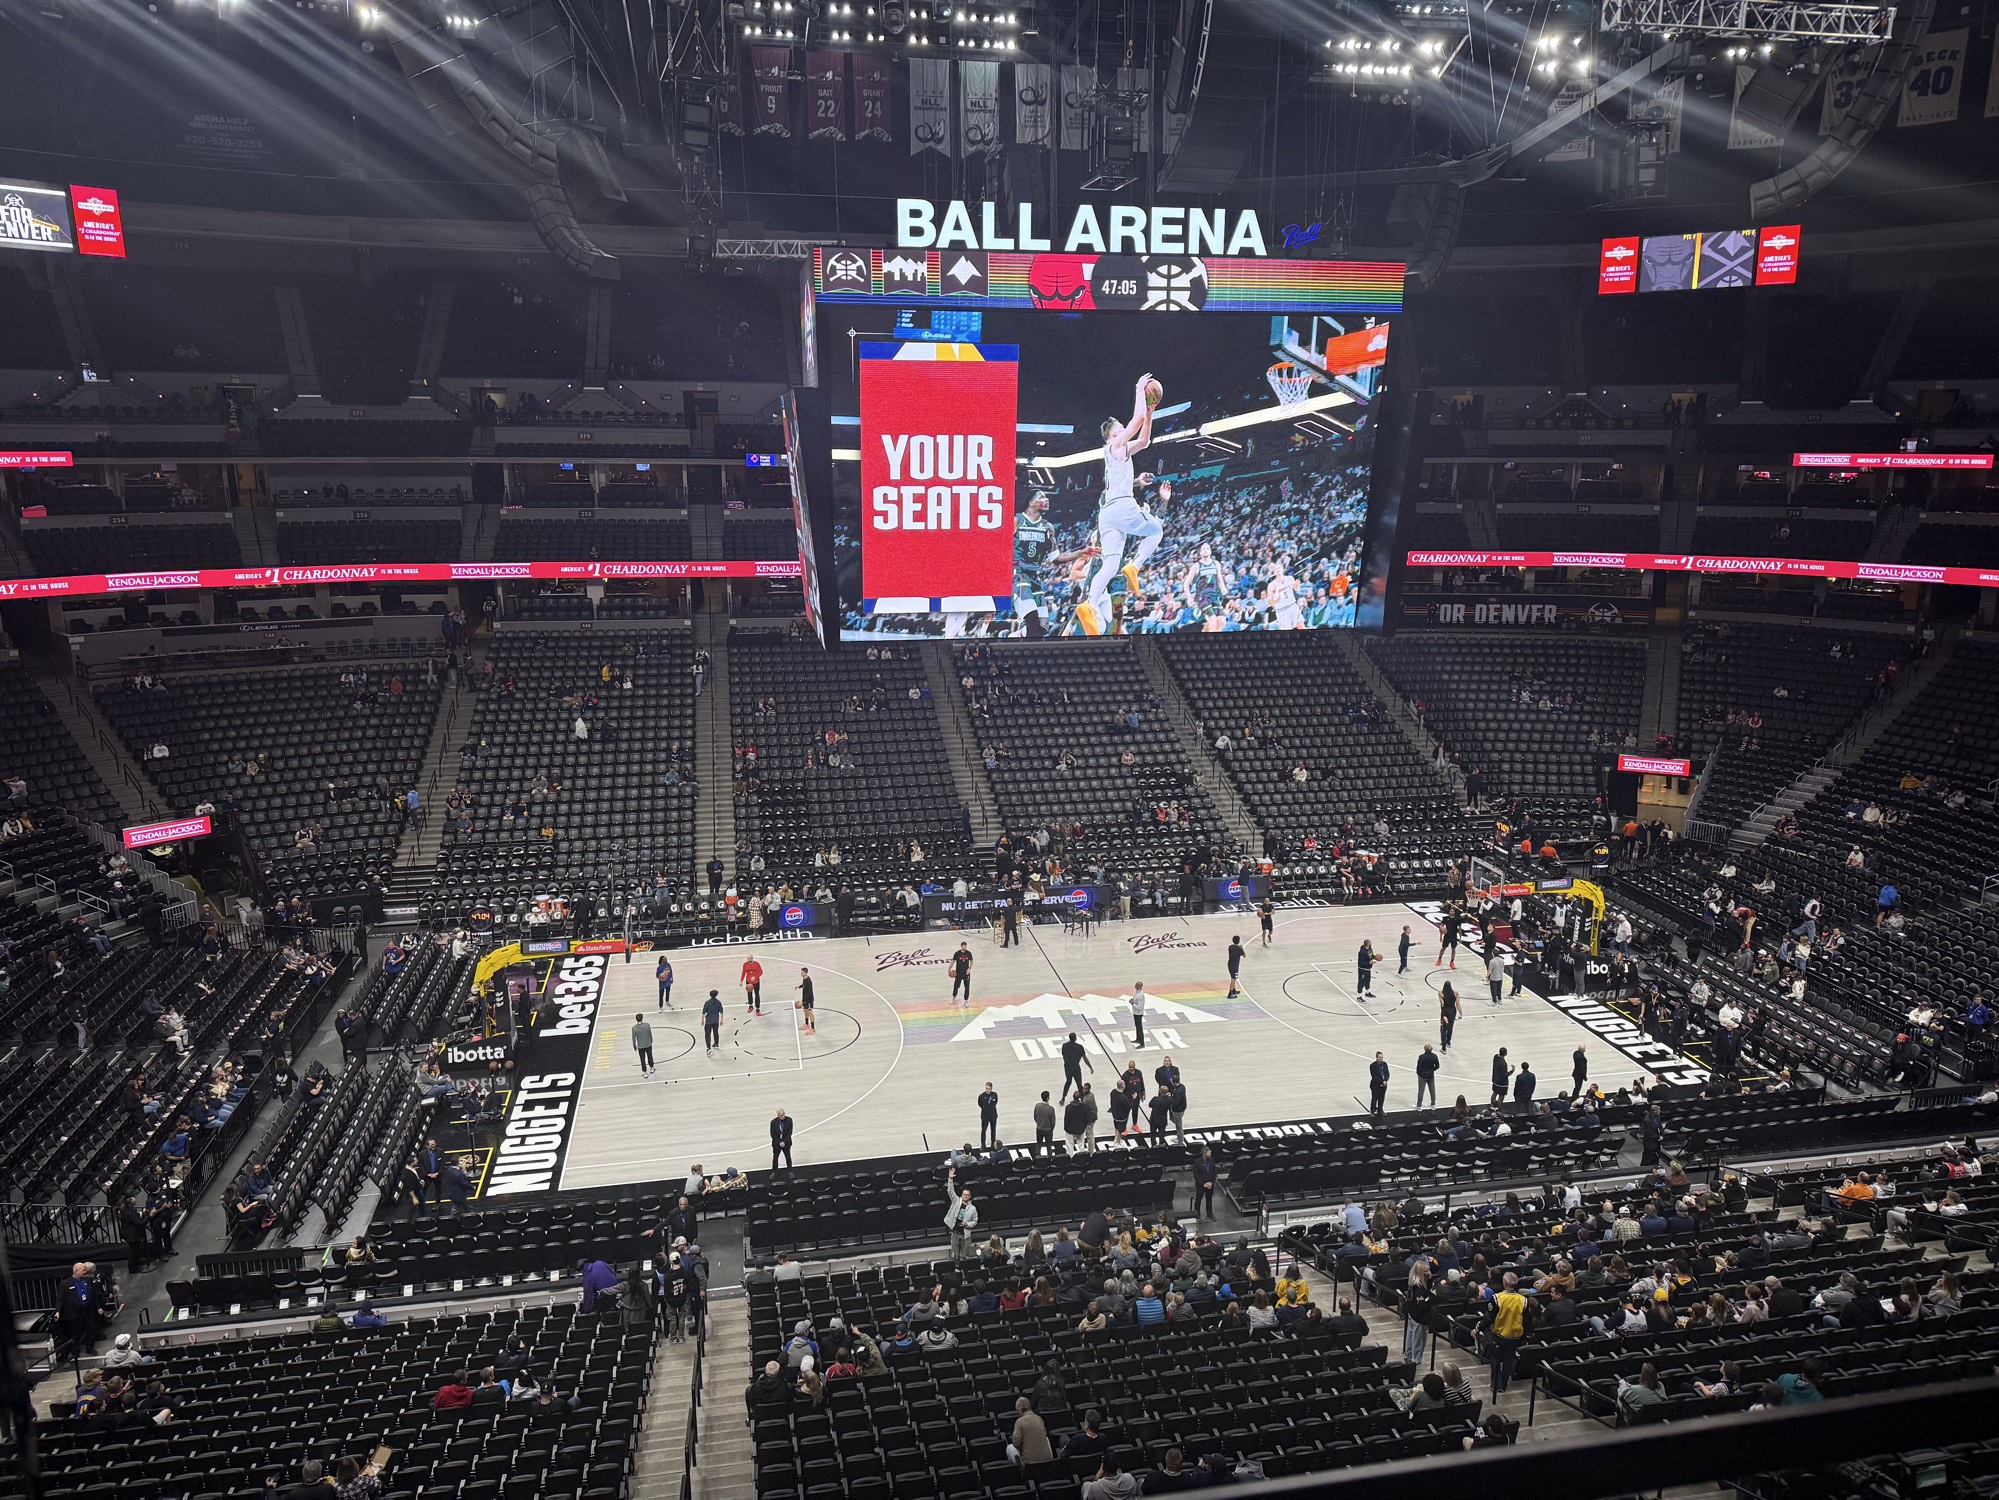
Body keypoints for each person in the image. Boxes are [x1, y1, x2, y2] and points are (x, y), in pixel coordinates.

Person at [1077, 373, 1163, 637]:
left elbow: (1144, 441)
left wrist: (1150, 412)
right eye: (1121, 428)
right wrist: (1139, 389)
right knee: (1156, 530)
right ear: (1113, 434)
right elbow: (1136, 421)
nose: (1125, 429)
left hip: (1108, 515)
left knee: (1111, 564)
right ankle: (1135, 565)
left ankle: (1089, 605)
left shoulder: (1117, 451)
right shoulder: (1115, 444)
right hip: (1122, 507)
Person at [1485, 1271, 1528, 1395]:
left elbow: (1489, 1317)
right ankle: (1503, 1385)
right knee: (1508, 1360)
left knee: (1495, 1359)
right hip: (1514, 1335)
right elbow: (1527, 1320)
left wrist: (1478, 1328)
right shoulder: (1523, 1300)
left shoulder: (1497, 1298)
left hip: (1499, 1334)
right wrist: (1529, 1332)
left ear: (1504, 1283)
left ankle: (1496, 1384)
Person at [1007, 1395, 1054, 1465]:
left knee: (1009, 1447)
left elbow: (1016, 1443)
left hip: (1029, 1462)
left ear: (1019, 1410)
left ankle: (1020, 1467)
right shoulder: (1039, 1419)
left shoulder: (1019, 1421)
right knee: (1046, 1439)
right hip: (1046, 1460)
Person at [945, 1171, 979, 1259]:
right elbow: (950, 1191)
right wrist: (950, 1179)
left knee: (965, 1256)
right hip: (955, 1233)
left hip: (966, 1234)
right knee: (955, 1256)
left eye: (967, 1195)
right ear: (962, 1195)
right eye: (964, 1194)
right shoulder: (956, 1201)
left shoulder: (973, 1208)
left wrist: (967, 1224)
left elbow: (975, 1222)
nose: (965, 1196)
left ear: (970, 1196)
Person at [1060, 1032, 1093, 1102]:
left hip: (1067, 1067)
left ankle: (1063, 1098)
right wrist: (1090, 1067)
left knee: (1068, 1082)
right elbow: (1085, 1059)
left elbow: (1064, 1056)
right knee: (1079, 1084)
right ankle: (1082, 1099)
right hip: (1076, 1067)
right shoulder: (1079, 1047)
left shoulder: (1064, 1046)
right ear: (1075, 1038)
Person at [1193, 1146, 1218, 1219]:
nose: (1211, 1152)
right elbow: (1196, 1175)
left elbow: (1214, 1172)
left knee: (1209, 1199)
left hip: (1210, 1184)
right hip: (1201, 1185)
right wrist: (1203, 1184)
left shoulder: (1212, 1160)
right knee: (1198, 1199)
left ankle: (1209, 1213)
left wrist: (1211, 1182)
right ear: (1204, 1153)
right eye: (1209, 1152)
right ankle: (1197, 1213)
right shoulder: (1198, 1162)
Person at [1415, 1044, 1440, 1109]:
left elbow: (1419, 1067)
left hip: (1422, 1076)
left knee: (1421, 1091)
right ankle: (1433, 1104)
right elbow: (1437, 1066)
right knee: (1432, 1090)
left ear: (1425, 1049)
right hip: (1431, 1075)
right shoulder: (1434, 1056)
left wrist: (1419, 1073)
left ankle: (1419, 1105)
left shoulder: (1421, 1057)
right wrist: (1432, 1070)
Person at [950, 943, 974, 1008]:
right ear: (961, 946)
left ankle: (966, 1000)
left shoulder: (969, 953)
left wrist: (969, 968)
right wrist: (949, 969)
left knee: (967, 987)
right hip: (958, 973)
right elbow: (953, 961)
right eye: (963, 946)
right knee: (956, 986)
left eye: (965, 946)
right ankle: (953, 996)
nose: (964, 947)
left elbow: (971, 961)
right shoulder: (957, 953)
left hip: (966, 973)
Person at [978, 1083, 1001, 1149]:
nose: (987, 1090)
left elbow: (995, 1102)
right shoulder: (981, 1096)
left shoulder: (994, 1095)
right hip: (985, 1116)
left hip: (993, 1115)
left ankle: (993, 1144)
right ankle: (983, 1145)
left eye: (989, 1089)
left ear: (991, 1089)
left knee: (993, 1130)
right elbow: (980, 1104)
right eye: (986, 1088)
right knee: (983, 1130)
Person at [702, 990, 724, 1055]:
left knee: (707, 1035)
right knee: (716, 1032)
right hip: (716, 1021)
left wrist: (702, 1020)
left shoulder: (707, 1002)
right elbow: (721, 1012)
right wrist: (721, 1020)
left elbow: (703, 1012)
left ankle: (708, 1048)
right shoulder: (718, 1002)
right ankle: (716, 1044)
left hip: (708, 1021)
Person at [1367, 1052, 1390, 1116]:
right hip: (1375, 1085)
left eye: (1382, 1057)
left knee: (1382, 1098)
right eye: (1380, 1057)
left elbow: (1387, 1074)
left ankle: (1380, 1110)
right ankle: (1372, 1111)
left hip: (1384, 1084)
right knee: (1375, 1098)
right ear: (1376, 1057)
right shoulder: (1372, 1065)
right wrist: (1382, 1082)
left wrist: (1385, 1080)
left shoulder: (1385, 1064)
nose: (1381, 1058)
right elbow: (1374, 1076)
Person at [1439, 982, 1460, 1053]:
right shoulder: (1456, 993)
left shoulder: (1441, 993)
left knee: (1443, 1029)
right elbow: (1458, 1004)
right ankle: (1448, 1042)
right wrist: (1461, 1014)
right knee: (1450, 1027)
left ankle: (1443, 1047)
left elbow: (1442, 1003)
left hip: (1445, 1011)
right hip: (1453, 1011)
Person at [795, 967, 816, 1035]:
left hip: (809, 1000)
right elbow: (804, 985)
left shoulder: (809, 981)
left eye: (802, 972)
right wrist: (799, 987)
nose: (801, 973)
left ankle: (813, 1028)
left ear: (805, 973)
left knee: (810, 1013)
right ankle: (807, 1024)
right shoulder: (804, 978)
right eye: (801, 972)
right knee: (805, 1010)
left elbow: (809, 994)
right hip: (805, 998)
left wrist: (803, 1001)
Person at [1129, 983, 1148, 1048]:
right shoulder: (1137, 992)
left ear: (1140, 986)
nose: (1135, 986)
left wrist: (1132, 1004)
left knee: (1140, 1028)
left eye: (1136, 985)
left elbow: (1140, 1007)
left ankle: (1142, 1043)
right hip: (1135, 1012)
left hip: (1138, 1013)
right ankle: (1138, 1039)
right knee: (1137, 1026)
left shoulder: (1140, 995)